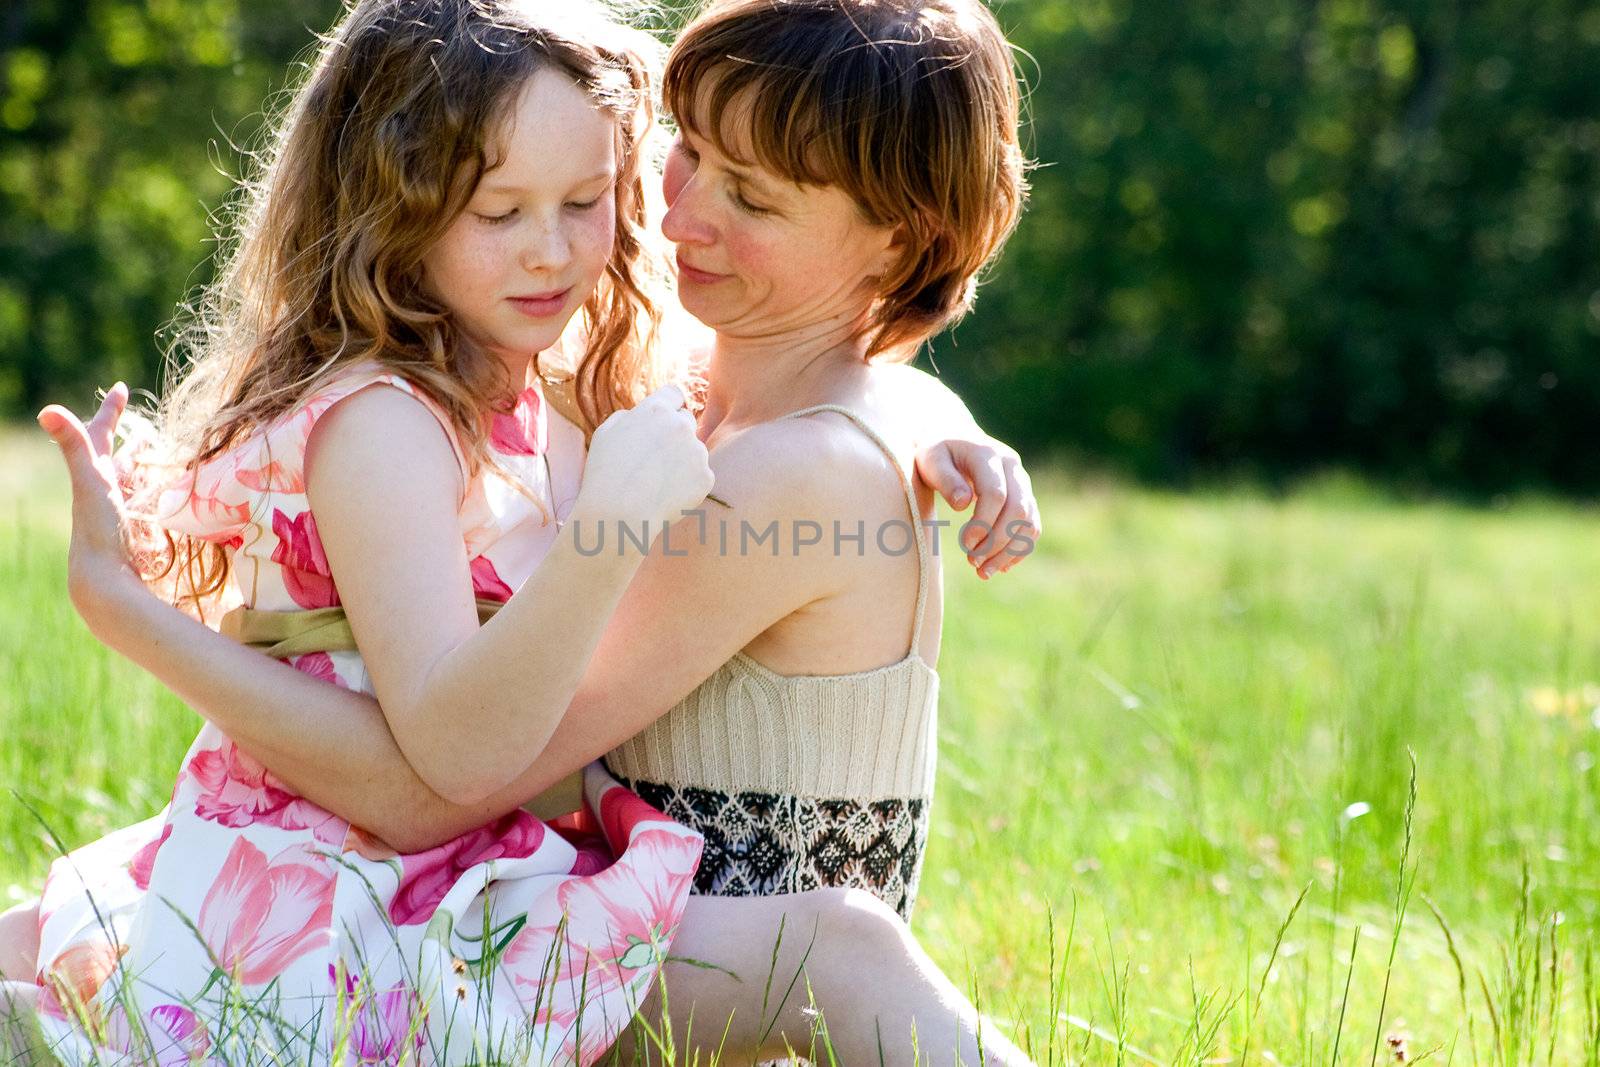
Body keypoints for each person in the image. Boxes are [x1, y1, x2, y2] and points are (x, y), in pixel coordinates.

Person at [19, 0, 1044, 1062]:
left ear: (901, 238)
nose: (682, 215)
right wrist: (948, 420)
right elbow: (863, 388)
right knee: (81, 921)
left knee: (120, 942)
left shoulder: (781, 473)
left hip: (675, 939)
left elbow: (436, 786)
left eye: (751, 197)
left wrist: (130, 615)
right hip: (571, 887)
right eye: (685, 152)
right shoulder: (706, 396)